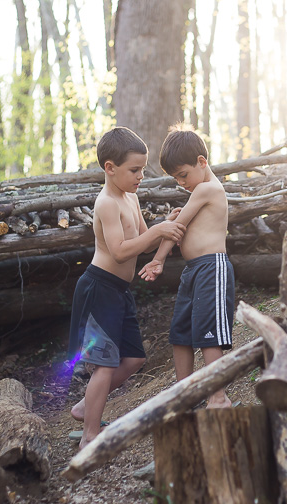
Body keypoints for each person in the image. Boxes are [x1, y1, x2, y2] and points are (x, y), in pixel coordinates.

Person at [66, 127, 186, 449]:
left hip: (119, 291)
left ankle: (84, 407)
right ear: (110, 168)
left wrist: (166, 224)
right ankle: (90, 436)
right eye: (135, 170)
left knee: (133, 358)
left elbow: (143, 245)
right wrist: (158, 230)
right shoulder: (106, 203)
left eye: (143, 169)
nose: (141, 176)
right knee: (104, 363)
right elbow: (119, 250)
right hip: (99, 288)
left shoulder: (130, 198)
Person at [139, 127, 235, 409]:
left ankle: (217, 396)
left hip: (212, 268)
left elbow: (176, 228)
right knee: (180, 334)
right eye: (175, 178)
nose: (181, 182)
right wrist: (159, 258)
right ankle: (184, 394)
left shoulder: (209, 188)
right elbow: (177, 230)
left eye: (183, 174)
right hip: (193, 270)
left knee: (208, 333)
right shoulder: (198, 192)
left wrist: (158, 259)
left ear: (202, 162)